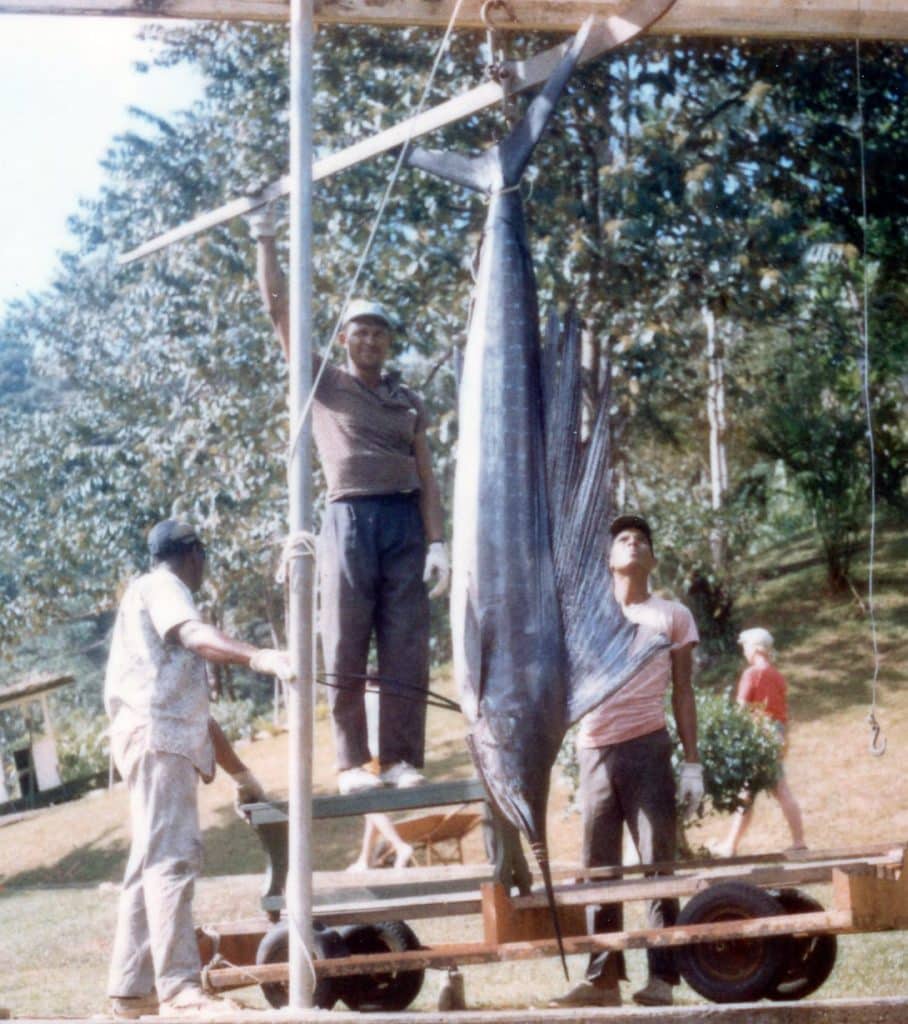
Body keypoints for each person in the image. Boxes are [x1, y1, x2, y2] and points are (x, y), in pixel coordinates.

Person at [248, 204, 450, 795]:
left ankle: (401, 759)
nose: (369, 339)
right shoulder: (323, 382)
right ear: (345, 339)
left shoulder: (407, 399)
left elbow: (428, 474)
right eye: (359, 330)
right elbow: (279, 310)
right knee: (343, 640)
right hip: (348, 518)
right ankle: (350, 764)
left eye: (379, 332)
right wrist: (265, 238)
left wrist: (437, 541)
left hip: (404, 521)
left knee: (406, 643)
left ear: (388, 343)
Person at [105, 518, 293, 1019]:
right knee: (172, 859)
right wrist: (260, 658)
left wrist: (243, 776)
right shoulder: (164, 587)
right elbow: (194, 634)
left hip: (153, 736)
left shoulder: (143, 599)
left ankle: (132, 988)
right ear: (193, 554)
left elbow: (199, 718)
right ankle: (180, 989)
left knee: (149, 861)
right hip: (156, 739)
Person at [553, 514, 703, 1009]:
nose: (632, 543)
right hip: (593, 751)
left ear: (652, 558)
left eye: (641, 539)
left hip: (648, 746)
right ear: (610, 559)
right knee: (598, 869)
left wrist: (692, 764)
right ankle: (601, 979)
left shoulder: (672, 615)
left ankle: (662, 977)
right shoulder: (585, 614)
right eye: (622, 538)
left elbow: (683, 691)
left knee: (658, 863)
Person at [713, 627, 806, 857]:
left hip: (758, 736)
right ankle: (732, 845)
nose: (744, 651)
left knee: (758, 791)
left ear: (754, 648)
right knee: (763, 790)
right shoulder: (777, 676)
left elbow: (742, 709)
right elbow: (783, 712)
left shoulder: (752, 674)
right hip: (778, 734)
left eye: (745, 647)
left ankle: (731, 846)